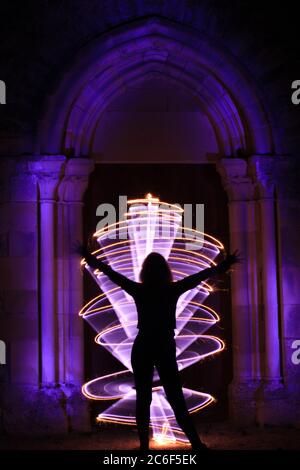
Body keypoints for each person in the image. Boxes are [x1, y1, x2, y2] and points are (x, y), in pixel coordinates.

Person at [76, 244, 241, 451]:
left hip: (143, 345)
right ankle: (196, 444)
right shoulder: (172, 289)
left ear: (144, 272)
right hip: (164, 345)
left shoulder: (139, 289)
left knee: (143, 398)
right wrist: (225, 264)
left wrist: (90, 258)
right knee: (175, 397)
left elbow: (112, 275)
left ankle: (144, 446)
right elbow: (199, 277)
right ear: (166, 271)